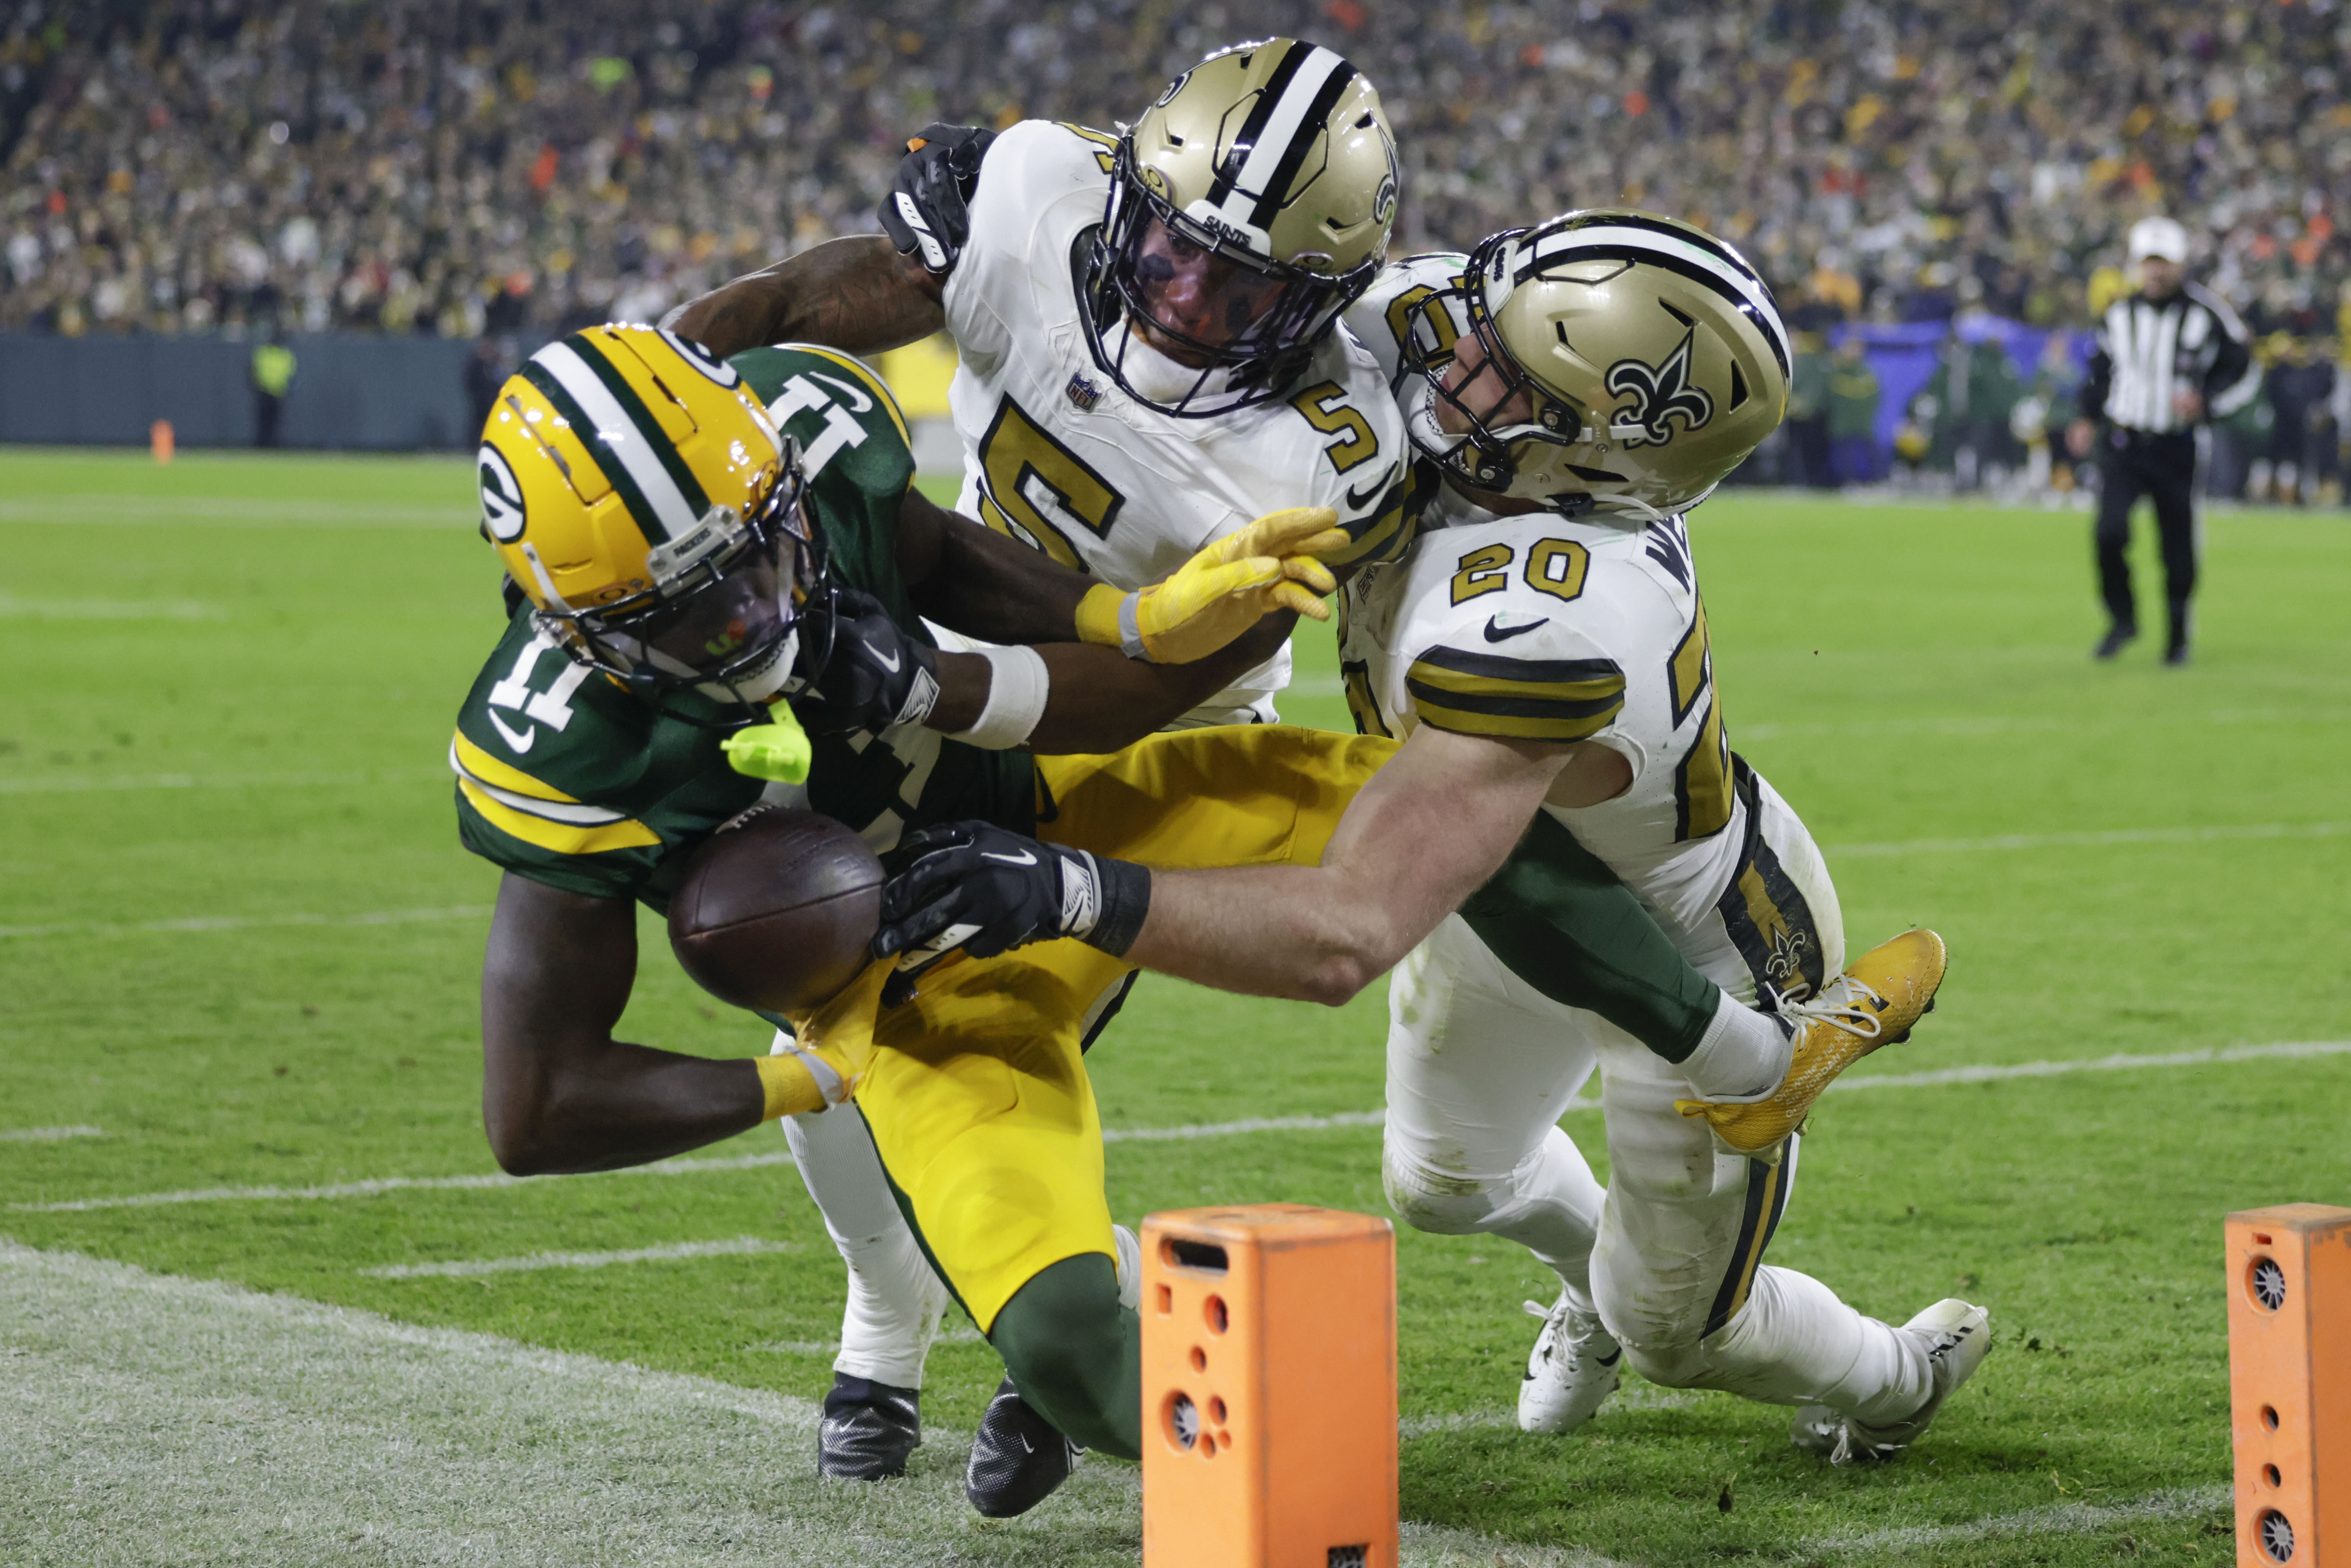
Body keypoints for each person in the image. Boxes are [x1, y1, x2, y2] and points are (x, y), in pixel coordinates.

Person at [668, 40, 1831, 1484]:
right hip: (947, 656)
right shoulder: (1057, 190)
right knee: (818, 993)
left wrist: (929, 681)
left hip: (1141, 723)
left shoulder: (1337, 452)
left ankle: (983, 1315)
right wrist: (681, 358)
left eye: (1251, 289)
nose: (1191, 305)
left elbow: (1156, 675)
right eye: (1168, 254)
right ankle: (893, 1321)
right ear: (1127, 190)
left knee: (909, 996)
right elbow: (904, 265)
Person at [876, 212, 1984, 1465]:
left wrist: (1078, 890)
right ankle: (1594, 1281)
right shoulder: (1467, 361)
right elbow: (1271, 246)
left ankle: (1898, 1379)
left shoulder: (1551, 615)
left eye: (1507, 373)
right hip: (1484, 879)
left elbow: (1346, 928)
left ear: (1595, 450)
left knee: (1682, 1334)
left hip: (1686, 933)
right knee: (1446, 1183)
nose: (1454, 362)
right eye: (1486, 329)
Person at [459, 322, 1354, 1513]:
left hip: (1043, 805)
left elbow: (944, 556)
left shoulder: (810, 442)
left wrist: (1125, 622)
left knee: (1460, 808)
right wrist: (804, 1077)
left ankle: (1694, 1042)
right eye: (690, 612)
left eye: (759, 553)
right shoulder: (559, 753)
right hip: (892, 988)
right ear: (584, 632)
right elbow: (536, 1107)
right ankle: (937, 1323)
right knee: (1036, 1307)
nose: (752, 614)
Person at [2066, 215, 2259, 665]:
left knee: (2177, 546)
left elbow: (2243, 368)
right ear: (2136, 265)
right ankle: (2122, 618)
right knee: (2109, 532)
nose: (2157, 272)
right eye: (2149, 262)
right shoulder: (2117, 315)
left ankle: (2177, 636)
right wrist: (2085, 416)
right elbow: (2099, 374)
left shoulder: (2206, 313)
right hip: (2124, 442)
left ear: (2180, 264)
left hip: (2177, 445)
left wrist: (2208, 403)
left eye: (2165, 262)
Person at [250, 333, 295, 448]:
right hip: (271, 392)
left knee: (270, 421)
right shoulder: (283, 354)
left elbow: (254, 371)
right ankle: (265, 444)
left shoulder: (264, 352)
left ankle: (267, 444)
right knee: (268, 421)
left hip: (271, 392)